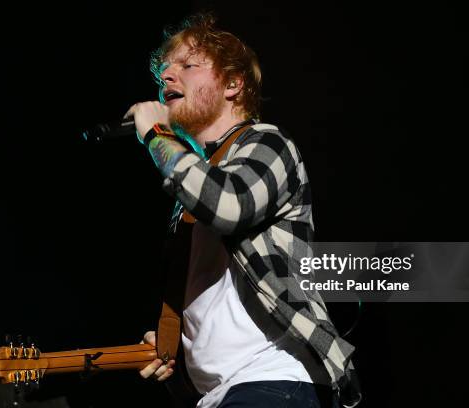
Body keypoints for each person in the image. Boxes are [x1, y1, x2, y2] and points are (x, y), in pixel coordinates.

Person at [125, 13, 360, 408]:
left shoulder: (267, 144)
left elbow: (229, 206)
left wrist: (157, 136)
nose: (167, 77)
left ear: (233, 84)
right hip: (222, 394)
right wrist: (178, 345)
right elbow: (220, 300)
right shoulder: (193, 190)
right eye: (163, 71)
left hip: (276, 377)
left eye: (187, 65)